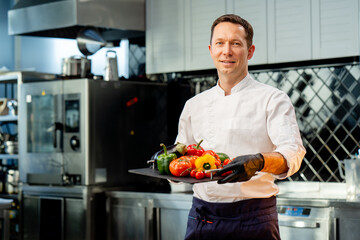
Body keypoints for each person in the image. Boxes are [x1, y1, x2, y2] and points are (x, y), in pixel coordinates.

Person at [175, 14, 306, 240]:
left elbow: (292, 153)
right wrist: (166, 163)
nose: (227, 51)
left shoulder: (273, 99)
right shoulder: (193, 105)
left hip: (253, 217)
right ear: (210, 50)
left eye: (236, 43)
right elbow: (182, 155)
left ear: (250, 51)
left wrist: (259, 161)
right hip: (202, 217)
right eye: (220, 43)